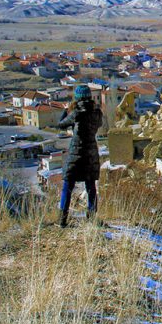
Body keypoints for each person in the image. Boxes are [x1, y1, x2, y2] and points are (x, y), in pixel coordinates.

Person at [57, 84, 103, 227]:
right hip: (91, 152)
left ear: (77, 98)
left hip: (76, 153)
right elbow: (98, 124)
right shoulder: (97, 113)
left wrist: (65, 110)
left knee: (68, 185)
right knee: (91, 187)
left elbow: (61, 124)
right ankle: (91, 217)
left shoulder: (77, 113)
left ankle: (62, 219)